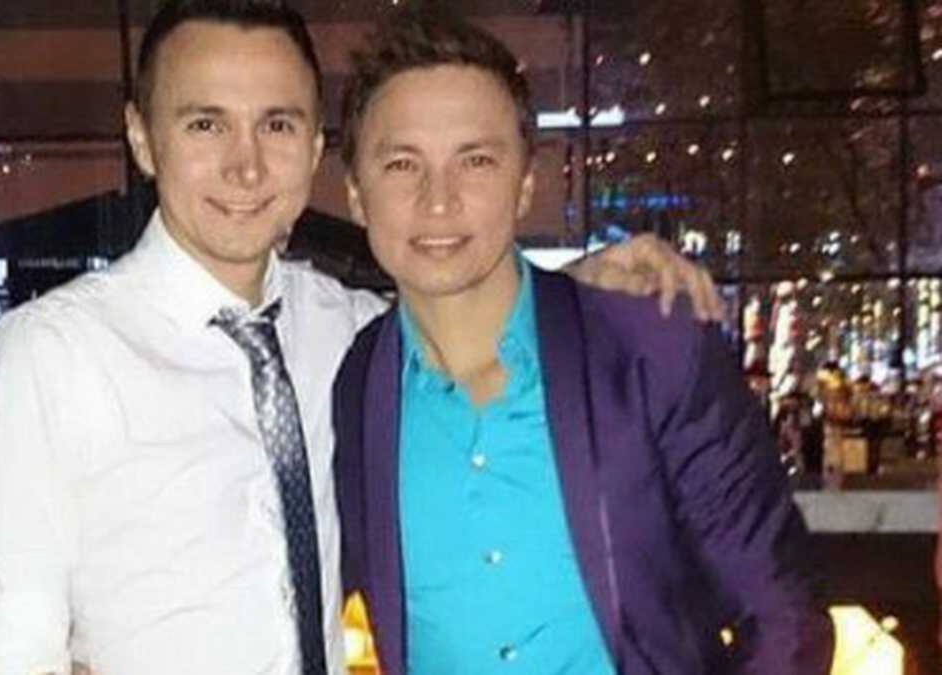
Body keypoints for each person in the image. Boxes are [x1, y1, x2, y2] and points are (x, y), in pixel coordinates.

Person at [0, 1, 723, 674]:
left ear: (315, 148)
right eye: (205, 123)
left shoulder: (352, 333)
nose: (246, 166)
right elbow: (10, 646)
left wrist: (585, 279)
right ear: (142, 138)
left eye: (277, 124)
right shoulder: (47, 357)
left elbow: (467, 307)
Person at [331, 9, 834, 674]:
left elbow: (782, 616)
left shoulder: (649, 351)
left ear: (526, 185)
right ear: (356, 194)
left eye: (476, 161)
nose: (439, 201)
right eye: (402, 164)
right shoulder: (354, 381)